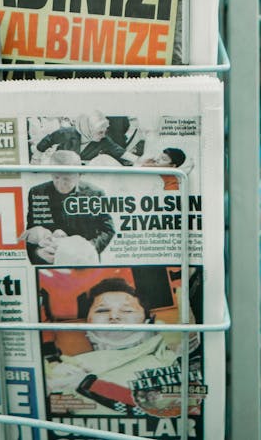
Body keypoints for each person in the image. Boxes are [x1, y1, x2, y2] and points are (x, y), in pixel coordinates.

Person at [44, 277, 185, 416]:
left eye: (127, 310)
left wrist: (88, 385)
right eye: (102, 310)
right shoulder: (67, 369)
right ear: (88, 321)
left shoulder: (170, 352)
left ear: (148, 320)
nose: (114, 316)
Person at [24, 149, 115, 264]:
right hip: (51, 263)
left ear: (79, 175)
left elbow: (108, 230)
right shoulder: (37, 192)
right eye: (56, 177)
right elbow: (31, 231)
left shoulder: (95, 193)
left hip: (85, 261)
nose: (60, 184)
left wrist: (85, 250)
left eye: (67, 179)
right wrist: (37, 253)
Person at [36, 112, 132, 166]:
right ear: (88, 129)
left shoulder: (103, 140)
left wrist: (139, 161)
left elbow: (120, 152)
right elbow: (45, 143)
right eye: (100, 132)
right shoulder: (66, 133)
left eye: (105, 132)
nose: (103, 135)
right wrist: (35, 159)